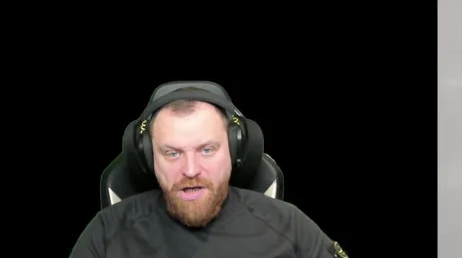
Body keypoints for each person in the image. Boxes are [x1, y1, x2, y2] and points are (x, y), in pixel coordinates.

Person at [70, 94, 344, 258]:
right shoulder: (106, 231)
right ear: (148, 157)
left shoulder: (289, 225)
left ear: (234, 151)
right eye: (172, 153)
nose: (190, 170)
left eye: (207, 150)